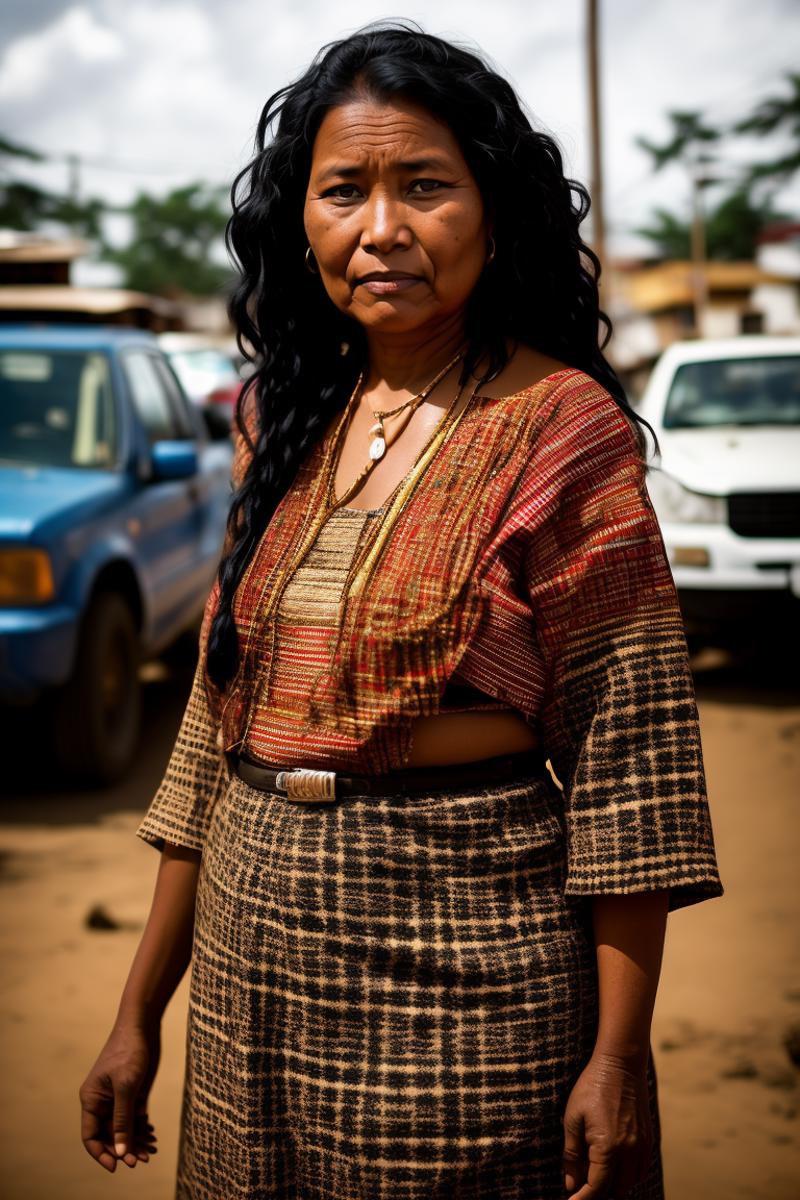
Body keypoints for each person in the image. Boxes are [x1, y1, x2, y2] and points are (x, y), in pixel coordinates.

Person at [79, 23, 724, 1200]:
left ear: (493, 210)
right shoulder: (280, 414)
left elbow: (633, 768)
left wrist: (618, 1055)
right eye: (343, 191)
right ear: (300, 220)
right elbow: (215, 731)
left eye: (423, 186)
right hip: (246, 967)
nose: (381, 229)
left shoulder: (556, 425)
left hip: (464, 965)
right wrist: (137, 1010)